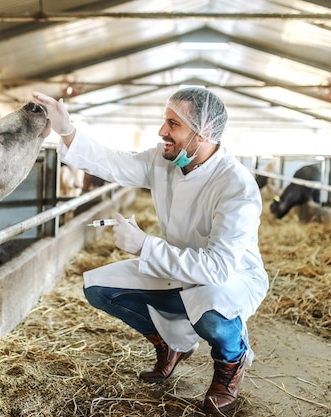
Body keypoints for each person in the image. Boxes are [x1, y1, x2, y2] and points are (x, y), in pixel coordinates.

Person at [32, 88, 268, 414]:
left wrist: (144, 246)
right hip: (173, 266)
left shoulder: (236, 186)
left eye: (173, 124)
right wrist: (67, 130)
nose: (162, 131)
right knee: (99, 287)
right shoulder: (163, 160)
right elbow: (115, 164)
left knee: (210, 308)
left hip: (229, 279)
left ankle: (230, 364)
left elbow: (217, 268)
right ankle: (172, 344)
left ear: (204, 133)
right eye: (164, 121)